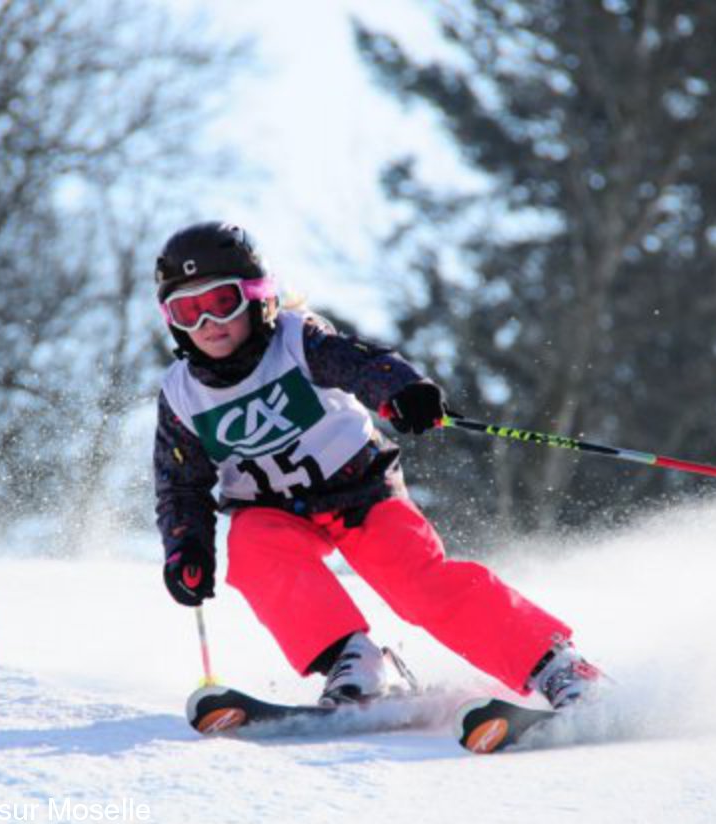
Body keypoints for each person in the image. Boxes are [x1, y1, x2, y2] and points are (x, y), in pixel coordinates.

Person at [152, 221, 599, 708]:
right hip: (270, 509)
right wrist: (186, 546)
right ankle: (355, 663)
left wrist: (402, 390)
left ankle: (556, 665)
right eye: (188, 310)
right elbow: (181, 484)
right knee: (254, 550)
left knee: (418, 585)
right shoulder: (181, 395)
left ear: (259, 298)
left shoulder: (297, 341)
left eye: (222, 302)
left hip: (359, 493)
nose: (208, 323)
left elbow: (361, 363)